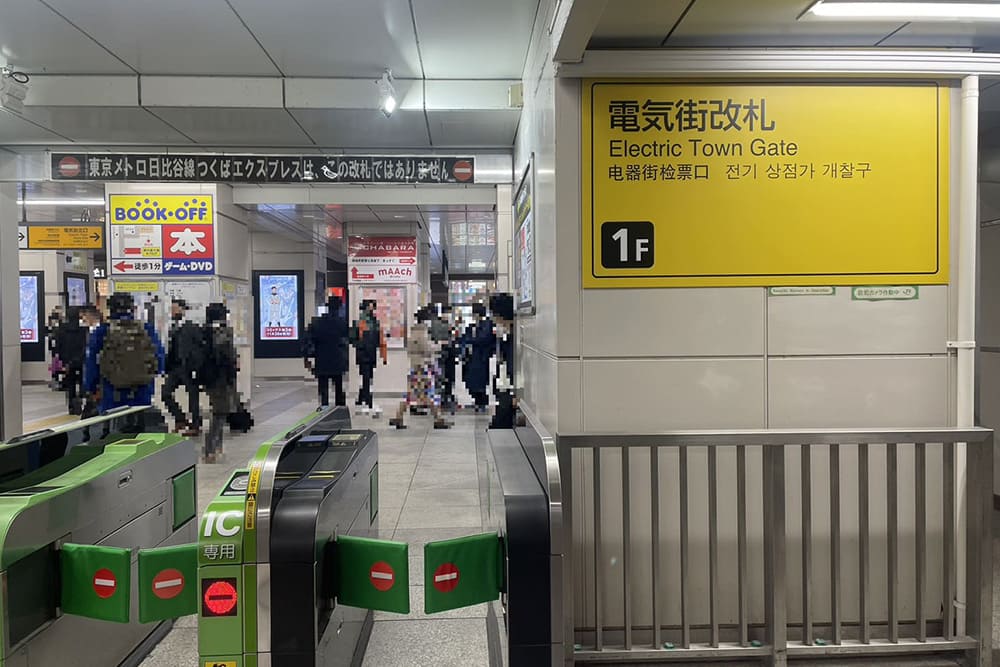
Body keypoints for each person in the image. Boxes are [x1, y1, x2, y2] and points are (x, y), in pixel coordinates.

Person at [83, 292, 165, 414]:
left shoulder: (102, 331)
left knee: (114, 426)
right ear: (132, 308)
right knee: (141, 423)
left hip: (112, 389)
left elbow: (91, 363)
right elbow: (160, 357)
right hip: (142, 388)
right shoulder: (146, 329)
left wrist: (90, 388)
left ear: (110, 309)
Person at [389, 306, 451, 430]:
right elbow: (426, 348)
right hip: (422, 367)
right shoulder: (421, 333)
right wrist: (439, 345)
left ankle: (399, 416)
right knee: (429, 393)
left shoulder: (414, 332)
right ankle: (438, 419)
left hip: (416, 366)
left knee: (412, 394)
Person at [162, 299, 205, 435]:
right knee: (166, 393)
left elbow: (200, 348)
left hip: (189, 367)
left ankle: (196, 425)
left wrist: (196, 366)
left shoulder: (191, 327)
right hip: (175, 368)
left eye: (175, 308)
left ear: (182, 309)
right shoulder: (172, 327)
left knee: (193, 397)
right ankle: (180, 418)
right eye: (172, 309)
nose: (173, 311)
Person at [202, 302, 238, 463]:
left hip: (209, 378)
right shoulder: (222, 333)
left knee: (220, 409)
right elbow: (228, 357)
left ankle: (218, 446)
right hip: (221, 378)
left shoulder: (203, 332)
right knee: (220, 413)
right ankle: (210, 448)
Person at [304, 295, 350, 407]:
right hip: (337, 360)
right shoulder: (342, 323)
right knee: (338, 387)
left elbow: (308, 341)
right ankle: (340, 411)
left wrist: (307, 357)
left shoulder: (317, 322)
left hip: (322, 360)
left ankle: (324, 410)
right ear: (339, 308)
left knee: (323, 388)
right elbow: (348, 339)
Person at [349, 299, 387, 415]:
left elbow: (380, 340)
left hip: (370, 354)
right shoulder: (359, 323)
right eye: (369, 307)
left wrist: (383, 355)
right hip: (363, 355)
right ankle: (368, 400)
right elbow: (352, 339)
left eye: (372, 307)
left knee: (368, 377)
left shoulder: (375, 322)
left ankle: (361, 399)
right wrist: (362, 345)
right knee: (366, 377)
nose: (371, 310)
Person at [54, 305, 89, 415]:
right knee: (83, 382)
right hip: (81, 360)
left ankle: (72, 407)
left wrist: (62, 360)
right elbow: (86, 345)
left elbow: (58, 346)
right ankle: (83, 403)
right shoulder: (83, 329)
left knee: (71, 385)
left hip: (68, 361)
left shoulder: (61, 329)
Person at [462, 302, 496, 413]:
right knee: (469, 380)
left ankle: (482, 402)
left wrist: (471, 340)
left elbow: (484, 339)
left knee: (480, 381)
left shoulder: (487, 324)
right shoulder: (472, 326)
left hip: (481, 357)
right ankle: (477, 400)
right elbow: (465, 337)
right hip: (471, 357)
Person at [489, 293, 516, 429]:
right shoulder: (507, 334)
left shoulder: (516, 337)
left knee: (501, 422)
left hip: (511, 388)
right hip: (504, 384)